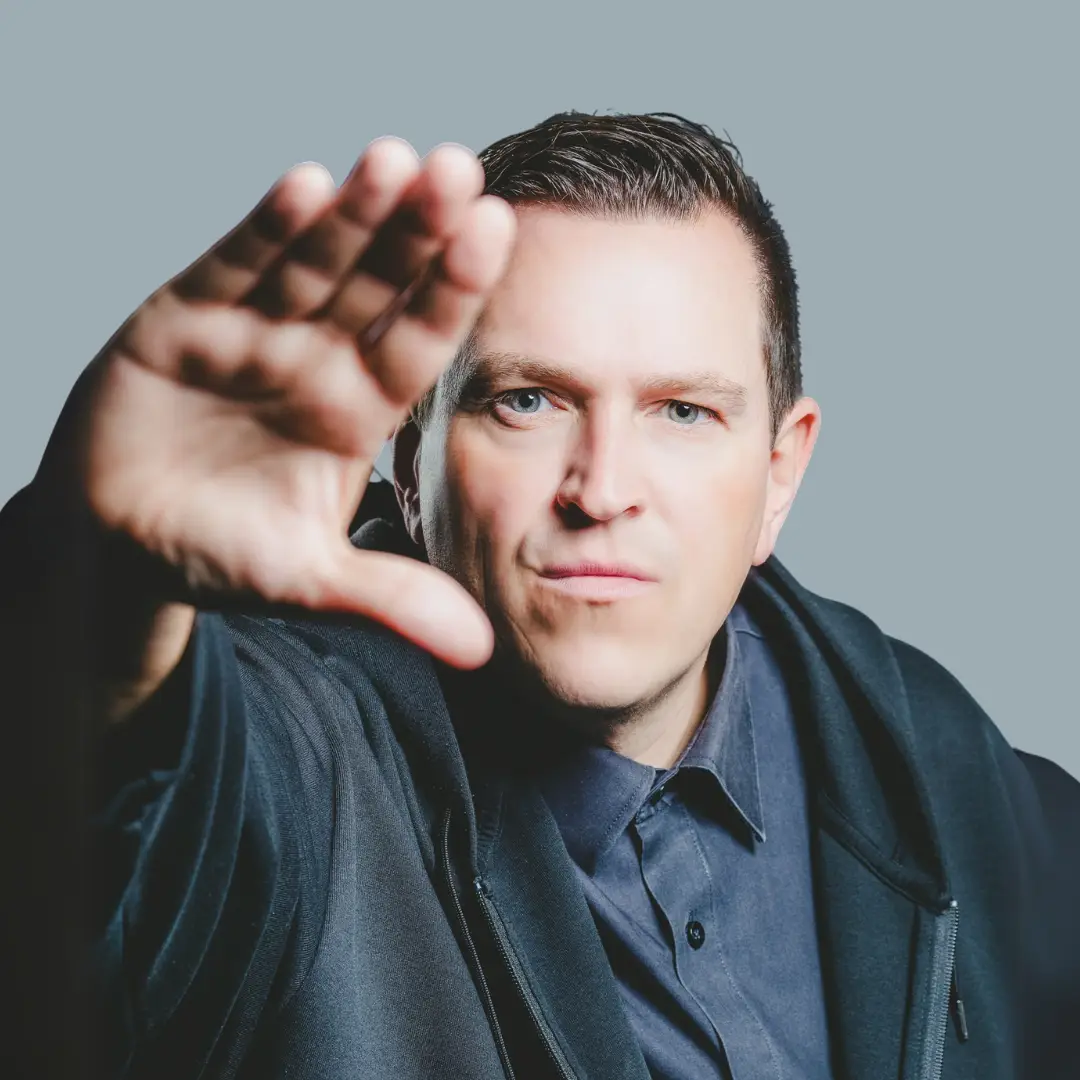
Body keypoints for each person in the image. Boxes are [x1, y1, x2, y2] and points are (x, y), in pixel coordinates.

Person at [1, 110, 1077, 1080]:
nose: (600, 490)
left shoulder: (926, 750)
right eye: (527, 401)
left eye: (683, 412)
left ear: (780, 472)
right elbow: (93, 902)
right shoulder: (304, 760)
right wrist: (95, 592)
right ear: (411, 458)